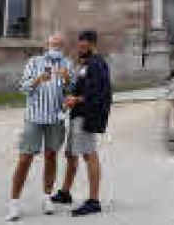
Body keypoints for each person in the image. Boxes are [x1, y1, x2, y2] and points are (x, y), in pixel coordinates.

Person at [8, 33, 74, 221]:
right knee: (25, 159)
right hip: (34, 118)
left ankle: (47, 197)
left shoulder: (67, 64)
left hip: (55, 119)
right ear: (47, 45)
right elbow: (23, 88)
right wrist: (38, 79)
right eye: (54, 44)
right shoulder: (34, 62)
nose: (57, 48)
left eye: (60, 45)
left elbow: (71, 92)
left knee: (51, 156)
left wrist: (68, 80)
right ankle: (14, 203)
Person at [52, 30, 113, 217]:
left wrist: (76, 100)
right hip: (77, 115)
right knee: (71, 154)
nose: (79, 49)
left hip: (87, 116)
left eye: (83, 46)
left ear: (92, 44)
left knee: (89, 154)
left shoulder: (97, 63)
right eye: (78, 46)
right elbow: (82, 87)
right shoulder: (85, 64)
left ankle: (94, 201)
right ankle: (65, 192)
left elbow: (98, 93)